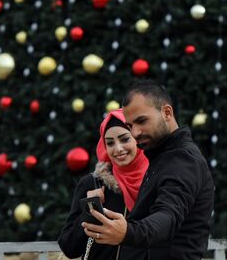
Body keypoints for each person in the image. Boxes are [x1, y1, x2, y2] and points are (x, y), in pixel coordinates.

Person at [82, 81, 215, 260]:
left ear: (167, 112)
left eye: (142, 121)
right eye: (130, 126)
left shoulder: (182, 159)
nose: (135, 133)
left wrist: (128, 232)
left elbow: (167, 216)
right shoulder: (162, 156)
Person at [59, 110, 149, 260]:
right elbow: (69, 247)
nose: (118, 149)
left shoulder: (156, 181)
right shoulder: (92, 183)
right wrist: (89, 210)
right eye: (110, 143)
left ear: (137, 139)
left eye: (125, 139)